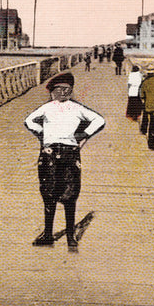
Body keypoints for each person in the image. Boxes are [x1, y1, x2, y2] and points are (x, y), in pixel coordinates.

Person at [24, 72, 105, 250]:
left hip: (50, 152)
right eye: (59, 89)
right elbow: (98, 120)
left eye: (65, 89)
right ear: (54, 91)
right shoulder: (76, 108)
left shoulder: (47, 107)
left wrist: (42, 133)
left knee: (50, 194)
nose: (62, 92)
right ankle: (70, 237)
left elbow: (29, 121)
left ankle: (49, 234)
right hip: (69, 151)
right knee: (69, 194)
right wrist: (83, 134)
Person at [139, 64, 154, 149]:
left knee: (151, 124)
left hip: (148, 106)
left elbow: (141, 94)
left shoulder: (145, 82)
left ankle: (151, 143)